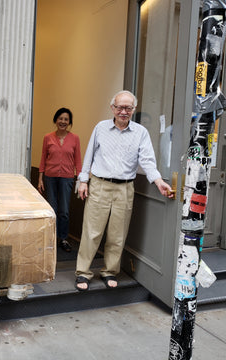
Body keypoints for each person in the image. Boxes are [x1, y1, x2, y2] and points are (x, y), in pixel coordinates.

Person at [75, 90, 173, 291]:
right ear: (112, 108)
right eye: (119, 107)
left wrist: (158, 181)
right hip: (100, 185)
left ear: (133, 110)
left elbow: (147, 160)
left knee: (117, 234)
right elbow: (89, 155)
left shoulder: (140, 133)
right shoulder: (101, 128)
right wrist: (83, 180)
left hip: (125, 188)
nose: (123, 111)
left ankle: (110, 272)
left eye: (128, 108)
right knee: (91, 232)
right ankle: (83, 273)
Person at [38, 108, 82, 252]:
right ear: (56, 120)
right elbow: (43, 158)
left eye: (66, 119)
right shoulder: (48, 137)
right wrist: (40, 179)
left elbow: (78, 161)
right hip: (50, 177)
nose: (63, 121)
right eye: (60, 118)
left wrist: (80, 180)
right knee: (52, 209)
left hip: (67, 178)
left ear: (69, 122)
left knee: (64, 210)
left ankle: (63, 238)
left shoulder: (74, 138)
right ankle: (50, 239)